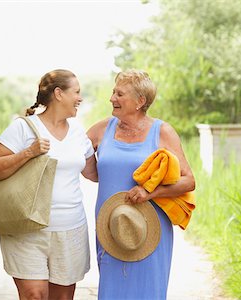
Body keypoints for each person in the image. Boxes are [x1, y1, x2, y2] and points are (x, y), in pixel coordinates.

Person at [0, 69, 98, 300]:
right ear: (59, 93)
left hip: (70, 229)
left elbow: (94, 174)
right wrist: (28, 152)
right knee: (34, 295)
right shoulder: (23, 128)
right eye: (76, 92)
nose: (80, 98)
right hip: (27, 228)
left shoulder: (78, 132)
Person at [87, 69, 196, 300]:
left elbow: (189, 180)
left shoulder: (162, 132)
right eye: (113, 92)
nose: (112, 98)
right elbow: (76, 158)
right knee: (111, 292)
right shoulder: (101, 129)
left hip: (148, 228)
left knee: (148, 292)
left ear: (140, 101)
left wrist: (149, 191)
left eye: (119, 94)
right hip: (113, 226)